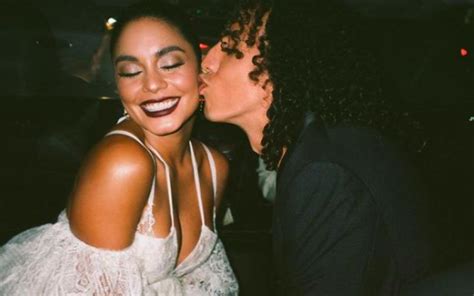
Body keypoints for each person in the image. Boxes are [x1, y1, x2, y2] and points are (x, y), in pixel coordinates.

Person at [0, 1, 239, 295]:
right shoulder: (122, 161)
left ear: (200, 67)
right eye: (130, 71)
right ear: (117, 85)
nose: (152, 84)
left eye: (170, 64)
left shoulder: (215, 166)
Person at [200, 0, 434, 294]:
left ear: (279, 62)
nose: (207, 61)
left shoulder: (323, 172)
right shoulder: (318, 148)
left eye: (230, 46)